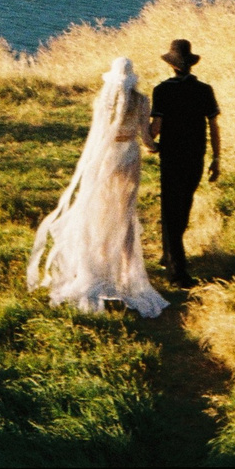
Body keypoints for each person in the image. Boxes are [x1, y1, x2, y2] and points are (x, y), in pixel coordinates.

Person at [26, 57, 167, 318]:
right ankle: (125, 271)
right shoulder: (142, 101)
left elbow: (97, 136)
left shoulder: (103, 101)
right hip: (129, 157)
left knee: (101, 213)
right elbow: (146, 137)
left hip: (106, 157)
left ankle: (98, 267)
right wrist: (154, 145)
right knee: (124, 214)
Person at [144, 39, 221, 287]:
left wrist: (144, 136)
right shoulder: (205, 90)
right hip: (196, 155)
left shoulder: (162, 90)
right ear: (190, 64)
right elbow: (214, 126)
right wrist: (217, 158)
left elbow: (156, 127)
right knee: (184, 205)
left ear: (172, 65)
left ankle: (178, 273)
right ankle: (169, 256)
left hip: (172, 156)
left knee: (170, 208)